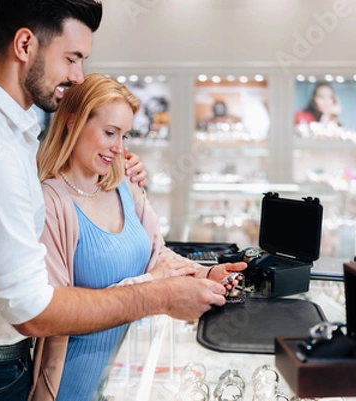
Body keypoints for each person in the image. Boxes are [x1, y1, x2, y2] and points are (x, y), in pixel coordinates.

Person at [0, 1, 231, 400]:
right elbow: (33, 312)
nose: (77, 76)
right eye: (71, 59)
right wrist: (161, 296)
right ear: (25, 44)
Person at [31, 74, 247, 401]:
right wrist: (152, 285)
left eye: (125, 135)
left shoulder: (126, 185)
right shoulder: (50, 202)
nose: (119, 147)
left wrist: (204, 274)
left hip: (131, 372)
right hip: (75, 381)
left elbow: (158, 255)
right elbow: (53, 314)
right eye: (109, 133)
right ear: (72, 123)